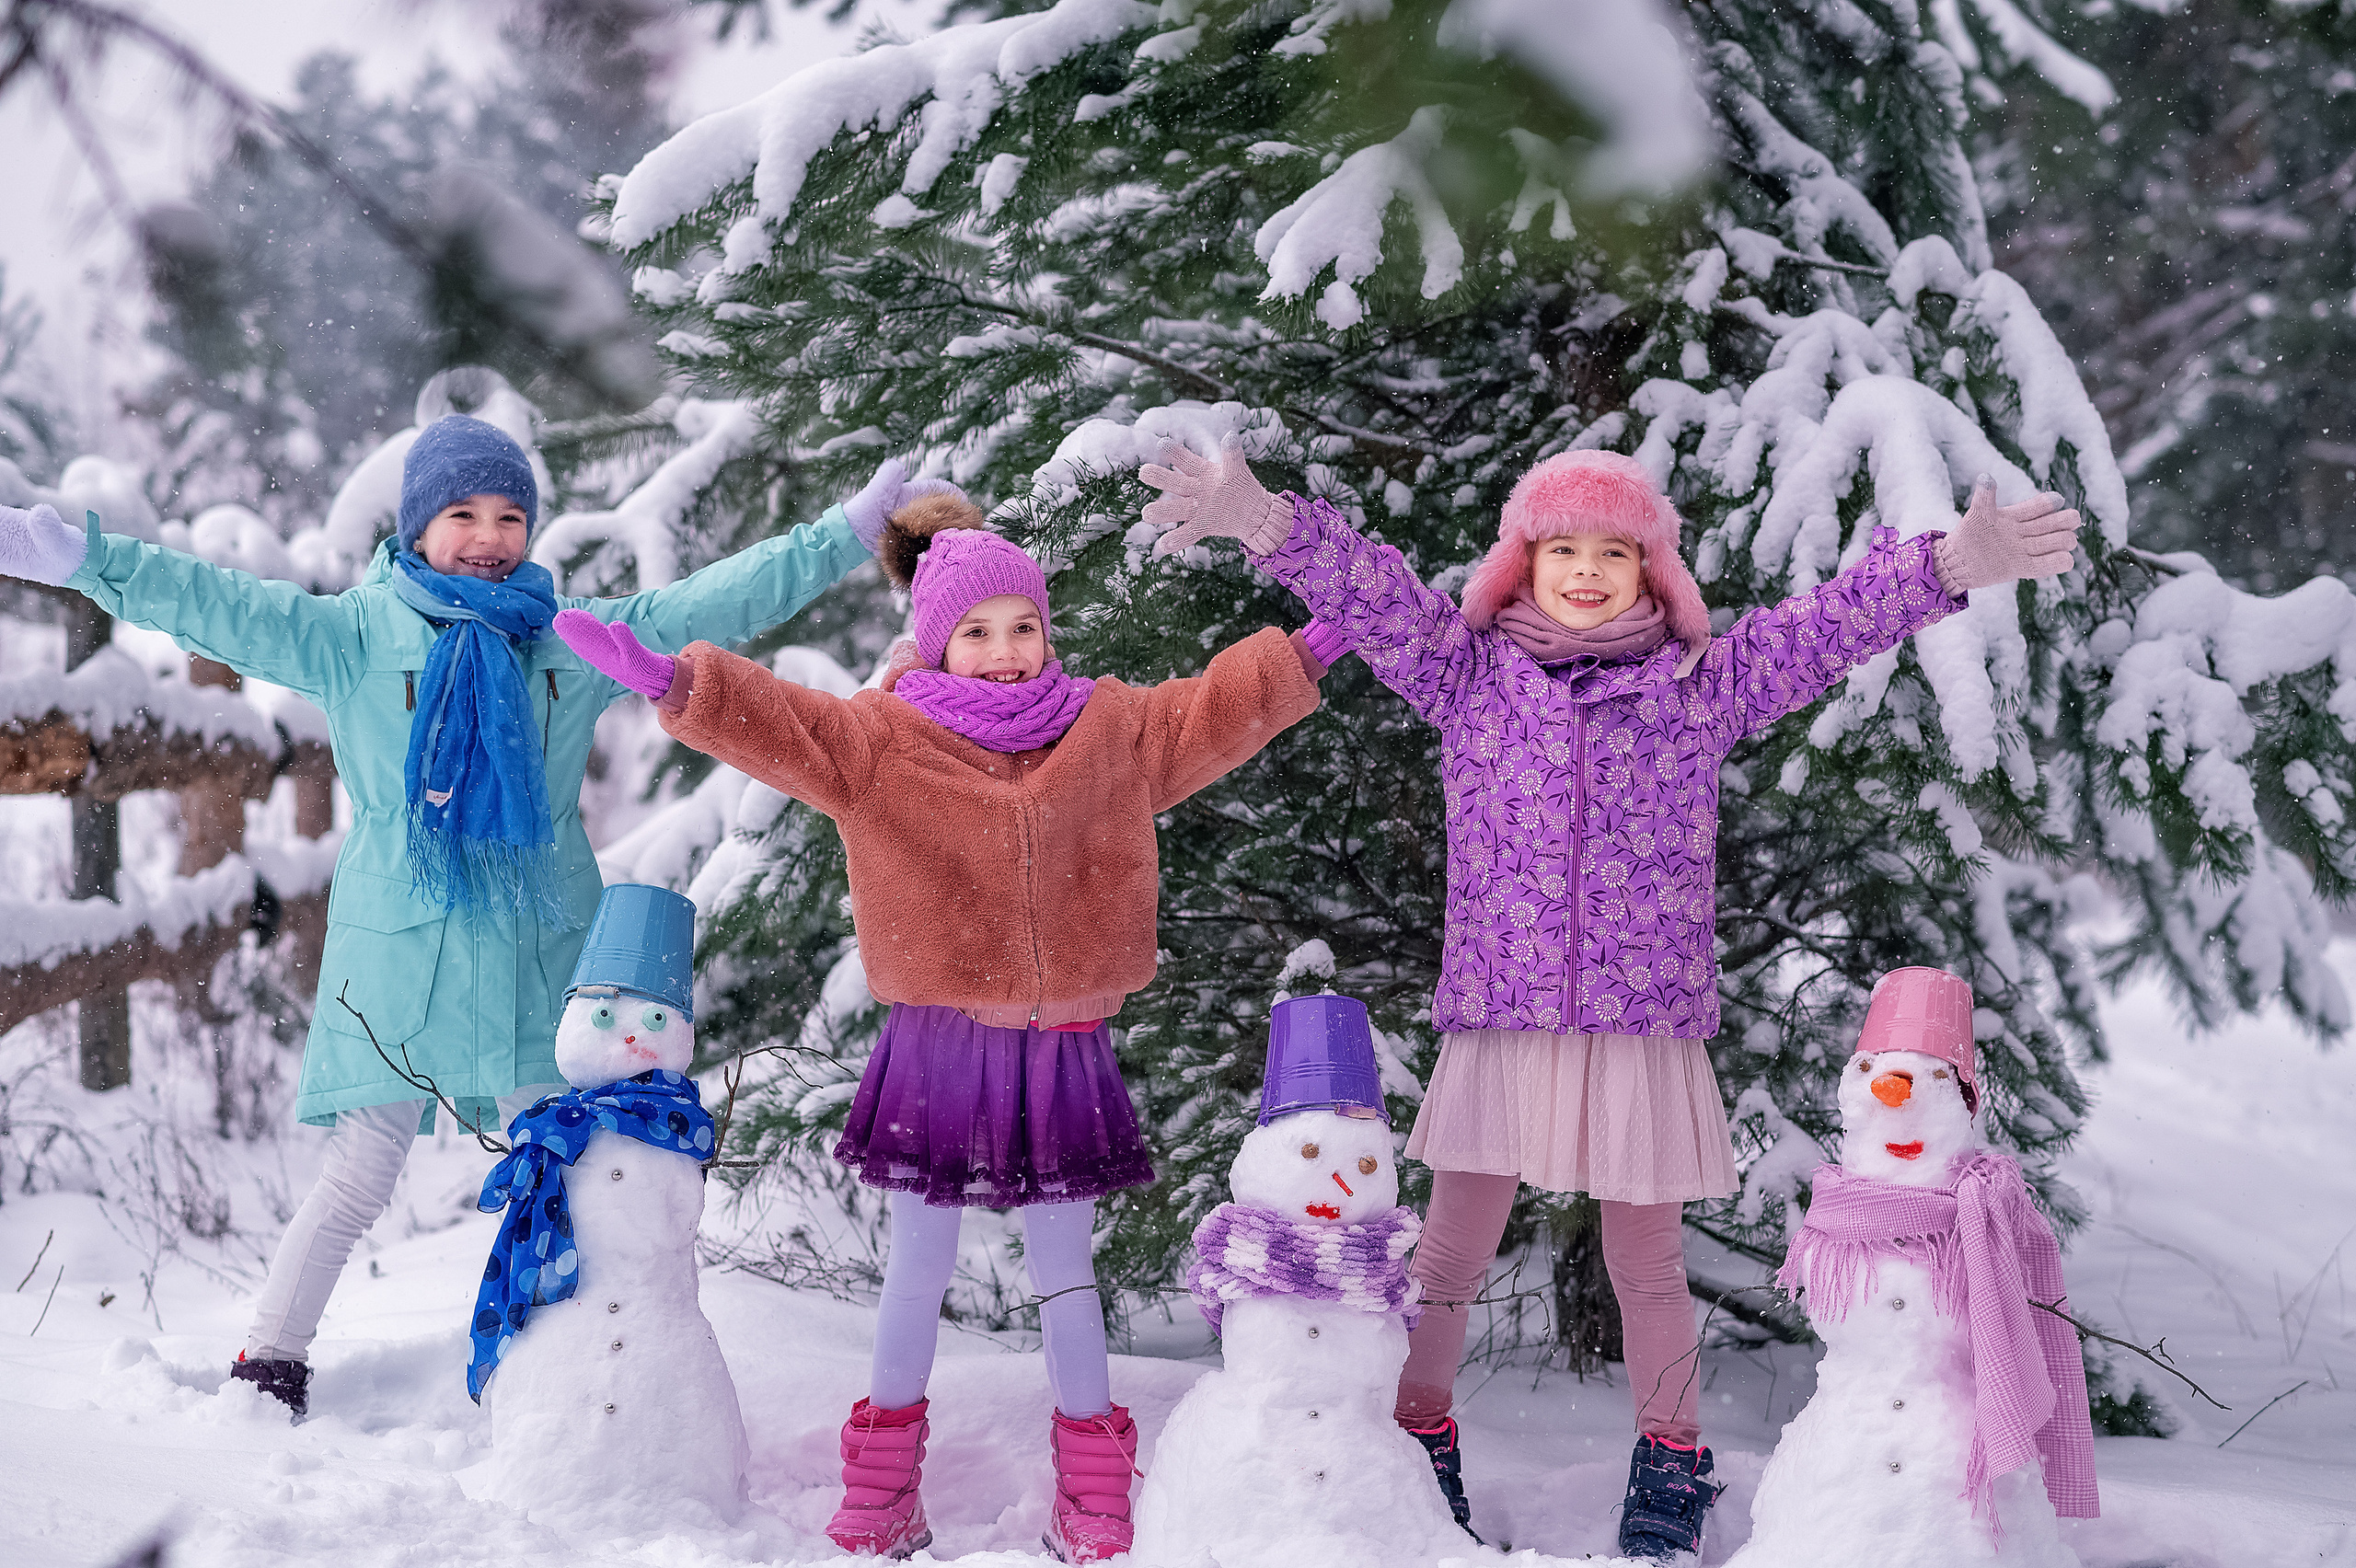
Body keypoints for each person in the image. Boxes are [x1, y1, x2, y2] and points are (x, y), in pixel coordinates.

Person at [1138, 441, 2079, 1561]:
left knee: (1646, 1265)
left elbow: (1824, 626)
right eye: (1562, 550)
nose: (1586, 572)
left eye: (1614, 553)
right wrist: (1263, 519)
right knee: (1445, 1256)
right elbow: (1373, 593)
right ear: (1522, 566)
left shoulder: (1700, 688)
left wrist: (1945, 564)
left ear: (1652, 571)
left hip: (1640, 1027)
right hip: (1503, 1013)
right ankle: (1414, 1438)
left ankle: (1670, 1463)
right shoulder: (1465, 673)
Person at [0, 414, 938, 1418]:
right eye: (462, 514)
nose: (489, 535)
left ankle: (571, 1378)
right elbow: (217, 606)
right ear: (415, 526)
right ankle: (268, 1367)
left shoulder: (564, 643)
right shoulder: (352, 636)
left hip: (539, 955)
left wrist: (843, 533)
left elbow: (701, 605)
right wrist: (90, 561)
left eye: (508, 515)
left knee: (566, 1175)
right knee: (358, 1176)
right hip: (401, 959)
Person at [555, 491, 1348, 1563]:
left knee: (1067, 1272)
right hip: (938, 1040)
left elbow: (1208, 711)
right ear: (936, 641)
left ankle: (1094, 1490)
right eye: (976, 632)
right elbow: (788, 725)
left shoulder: (1106, 728)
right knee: (916, 1271)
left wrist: (1305, 653)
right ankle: (881, 1491)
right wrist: (677, 683)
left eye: (1023, 626)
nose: (1005, 650)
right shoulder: (884, 740)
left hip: (1063, 1039)